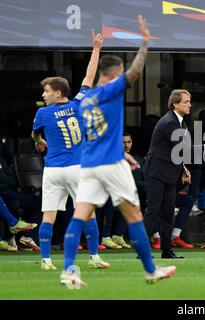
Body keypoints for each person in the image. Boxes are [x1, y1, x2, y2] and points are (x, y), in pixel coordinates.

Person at [61, 15, 176, 287]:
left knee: (81, 214)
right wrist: (145, 44)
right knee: (134, 215)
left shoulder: (85, 98)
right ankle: (150, 270)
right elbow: (135, 72)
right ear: (115, 73)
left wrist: (95, 49)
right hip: (110, 164)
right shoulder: (111, 91)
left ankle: (68, 270)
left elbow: (88, 77)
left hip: (88, 164)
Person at [31, 31, 108, 270]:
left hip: (53, 170)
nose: (43, 95)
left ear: (58, 93)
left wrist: (38, 140)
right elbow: (89, 76)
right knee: (88, 213)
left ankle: (45, 260)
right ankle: (94, 257)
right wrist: (95, 49)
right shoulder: (78, 103)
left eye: (46, 91)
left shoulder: (42, 114)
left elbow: (34, 133)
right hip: (78, 169)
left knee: (49, 216)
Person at [143, 89, 205, 259]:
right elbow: (182, 149)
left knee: (168, 212)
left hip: (169, 174)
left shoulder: (182, 124)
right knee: (153, 210)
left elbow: (177, 152)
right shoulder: (169, 122)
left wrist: (183, 168)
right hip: (156, 172)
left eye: (190, 101)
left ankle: (166, 251)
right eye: (186, 101)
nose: (190, 105)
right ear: (174, 104)